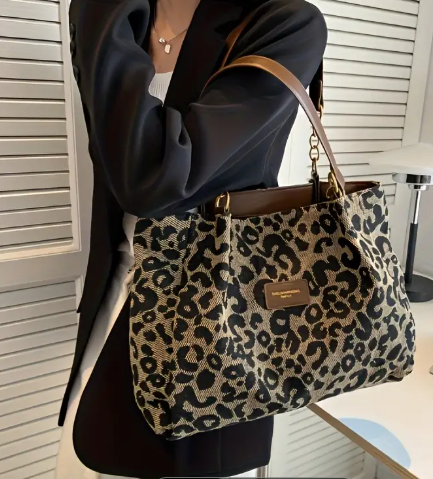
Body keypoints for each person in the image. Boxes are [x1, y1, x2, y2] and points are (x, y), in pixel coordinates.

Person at [56, 0, 327, 477]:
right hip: (112, 308)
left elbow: (152, 178)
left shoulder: (284, 23)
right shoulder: (126, 18)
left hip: (211, 338)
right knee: (83, 455)